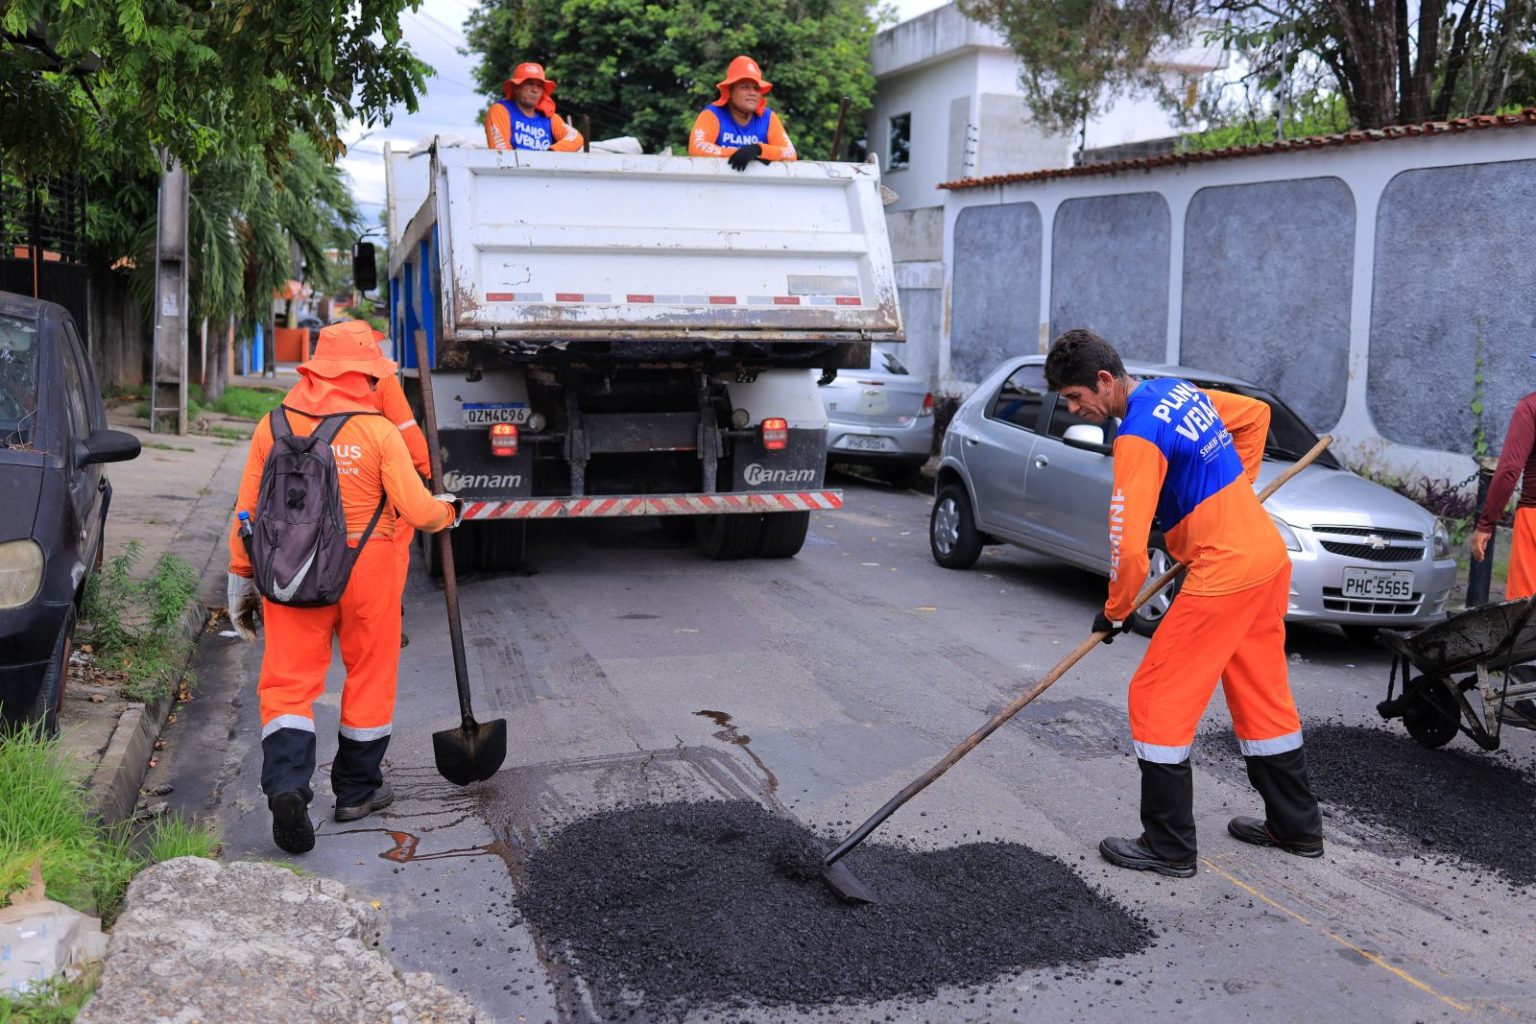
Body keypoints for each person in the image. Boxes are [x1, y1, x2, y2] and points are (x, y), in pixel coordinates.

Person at [1043, 329, 1323, 878]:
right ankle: (1297, 828)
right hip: (1264, 556)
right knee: (1261, 693)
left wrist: (1118, 609)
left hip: (1225, 570)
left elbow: (1126, 546)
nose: (1076, 409)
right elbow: (1255, 417)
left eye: (1076, 398)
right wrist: (1228, 496)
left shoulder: (1135, 437)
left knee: (1156, 694)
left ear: (1104, 379)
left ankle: (1168, 846)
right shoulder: (1176, 391)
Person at [226, 320, 461, 855]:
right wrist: (451, 512)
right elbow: (420, 511)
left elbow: (247, 509)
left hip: (292, 568)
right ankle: (356, 790)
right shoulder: (378, 431)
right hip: (368, 569)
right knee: (369, 675)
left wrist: (241, 575)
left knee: (287, 685)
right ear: (366, 375)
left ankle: (287, 787)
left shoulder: (272, 425)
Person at [1470, 377, 1536, 727]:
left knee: (1527, 612)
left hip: (1535, 517)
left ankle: (1530, 699)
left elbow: (1509, 469)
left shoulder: (1531, 406)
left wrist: (1485, 523)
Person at [366, 330, 432, 647]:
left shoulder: (310, 387)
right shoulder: (381, 379)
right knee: (394, 536)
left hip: (328, 482)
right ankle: (385, 619)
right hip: (374, 478)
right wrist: (432, 473)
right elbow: (406, 429)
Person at [688, 55, 797, 170]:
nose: (752, 93)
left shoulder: (768, 117)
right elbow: (696, 149)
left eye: (756, 88)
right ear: (729, 90)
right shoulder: (712, 114)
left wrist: (758, 149)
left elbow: (790, 154)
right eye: (745, 87)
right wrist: (740, 154)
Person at [484, 62, 585, 152]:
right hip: (513, 171)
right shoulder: (500, 110)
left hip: (543, 171)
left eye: (540, 86)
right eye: (529, 84)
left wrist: (550, 153)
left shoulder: (550, 118)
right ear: (515, 88)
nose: (535, 90)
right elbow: (501, 152)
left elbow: (576, 138)